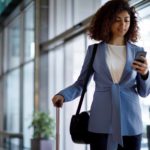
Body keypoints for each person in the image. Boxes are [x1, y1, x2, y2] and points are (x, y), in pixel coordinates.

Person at [52, 0, 150, 150]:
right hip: (101, 121)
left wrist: (145, 74)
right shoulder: (95, 51)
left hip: (130, 121)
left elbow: (144, 92)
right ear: (107, 21)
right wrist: (63, 95)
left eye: (126, 20)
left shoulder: (137, 51)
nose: (123, 25)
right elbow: (81, 84)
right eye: (117, 20)